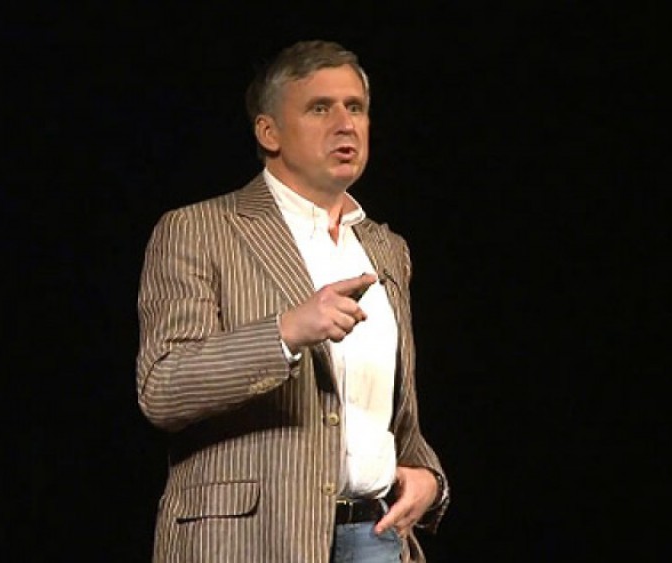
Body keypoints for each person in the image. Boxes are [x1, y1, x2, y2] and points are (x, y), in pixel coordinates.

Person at [135, 39, 449, 563]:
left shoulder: (386, 249)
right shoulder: (199, 230)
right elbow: (162, 387)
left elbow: (388, 407)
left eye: (355, 108)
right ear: (269, 132)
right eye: (320, 108)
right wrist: (284, 333)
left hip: (374, 537)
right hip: (249, 541)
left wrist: (427, 476)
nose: (345, 124)